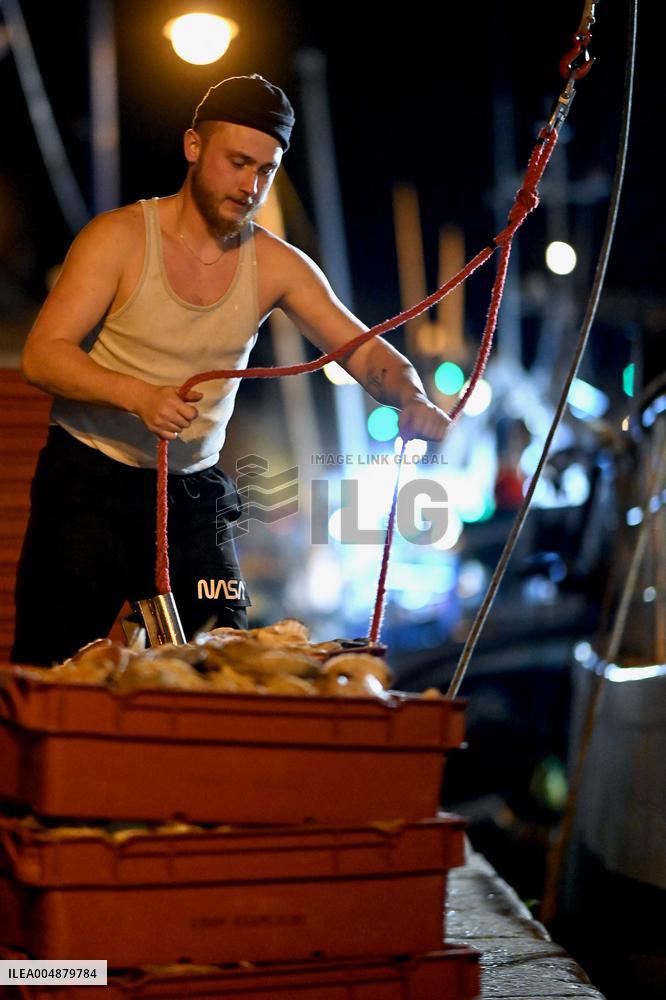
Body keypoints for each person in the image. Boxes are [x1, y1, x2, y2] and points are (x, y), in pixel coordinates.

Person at [12, 74, 450, 666]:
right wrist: (136, 395)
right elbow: (44, 354)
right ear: (193, 147)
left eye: (265, 170)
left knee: (225, 664)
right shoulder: (117, 238)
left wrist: (412, 397)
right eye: (238, 162)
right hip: (88, 481)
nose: (250, 185)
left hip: (192, 496)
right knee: (51, 667)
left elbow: (364, 350)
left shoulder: (277, 264)